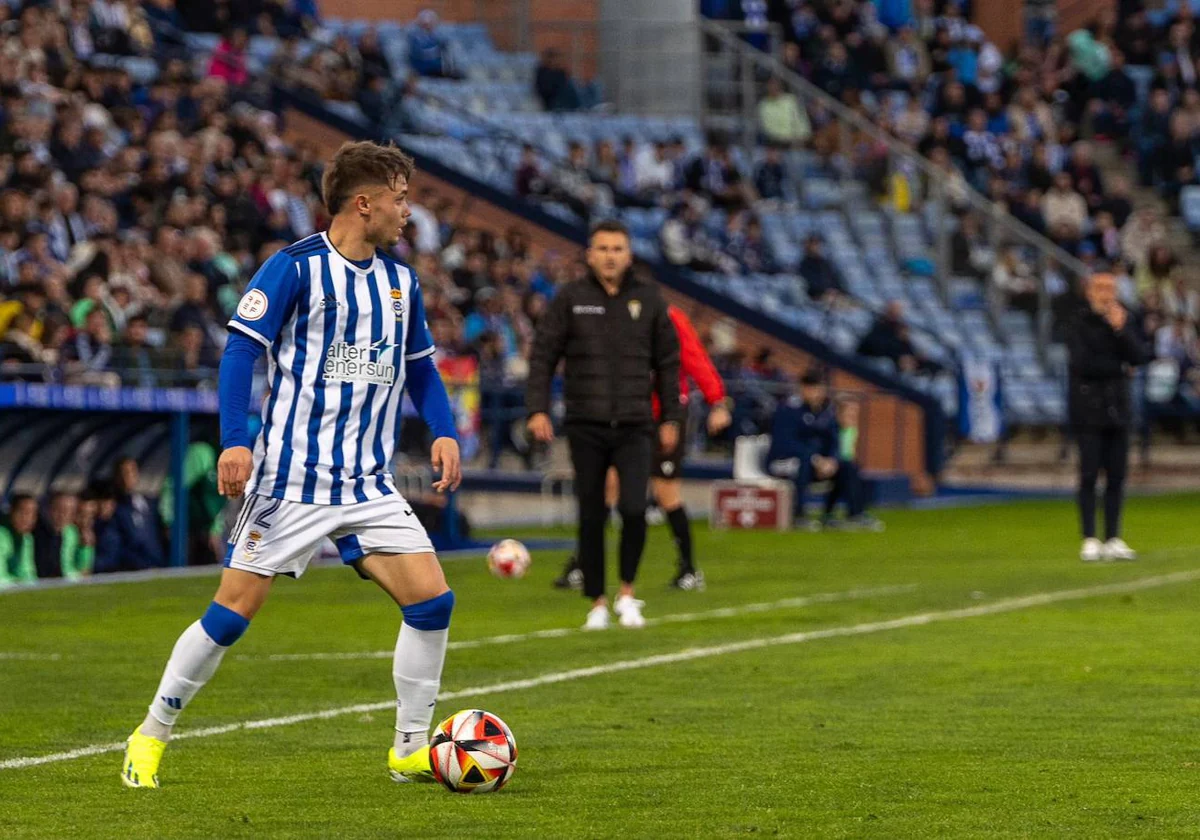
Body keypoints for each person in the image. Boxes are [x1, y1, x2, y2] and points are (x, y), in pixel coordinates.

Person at [121, 142, 462, 790]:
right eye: (399, 198)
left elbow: (420, 367)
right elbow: (238, 353)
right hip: (291, 479)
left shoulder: (401, 282)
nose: (407, 212)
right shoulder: (293, 269)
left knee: (432, 602)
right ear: (364, 203)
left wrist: (442, 431)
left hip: (368, 481)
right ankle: (152, 732)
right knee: (231, 613)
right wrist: (234, 439)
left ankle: (409, 748)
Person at [526, 220, 682, 631]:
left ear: (628, 255)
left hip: (635, 423)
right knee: (591, 513)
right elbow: (543, 354)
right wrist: (537, 409)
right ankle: (596, 601)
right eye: (603, 248)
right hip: (585, 423)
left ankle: (627, 593)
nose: (611, 256)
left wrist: (671, 417)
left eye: (618, 248)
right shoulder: (571, 298)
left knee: (634, 508)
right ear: (589, 255)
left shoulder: (649, 299)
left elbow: (668, 363)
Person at [553, 304, 731, 592]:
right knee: (607, 485)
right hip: (626, 414)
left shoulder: (667, 316)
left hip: (665, 416)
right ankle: (585, 564)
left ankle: (689, 568)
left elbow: (694, 357)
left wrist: (718, 401)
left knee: (665, 491)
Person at [1066, 273, 1150, 563]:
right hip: (1088, 409)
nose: (1106, 294)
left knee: (1117, 476)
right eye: (1100, 288)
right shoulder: (1078, 322)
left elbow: (1140, 355)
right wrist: (1119, 366)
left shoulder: (1124, 319)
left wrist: (1120, 330)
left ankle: (1113, 536)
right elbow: (1083, 364)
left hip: (1118, 408)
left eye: (1110, 288)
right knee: (1089, 475)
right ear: (1088, 291)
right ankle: (1089, 537)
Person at [764, 372, 877, 529]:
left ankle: (850, 514)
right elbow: (785, 442)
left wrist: (831, 459)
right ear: (802, 389)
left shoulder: (825, 414)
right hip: (783, 461)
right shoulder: (787, 411)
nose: (815, 393)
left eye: (818, 389)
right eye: (811, 389)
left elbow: (833, 440)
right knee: (802, 463)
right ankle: (798, 515)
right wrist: (815, 459)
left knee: (847, 466)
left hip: (817, 464)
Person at [0, 494, 39, 587]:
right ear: (11, 512)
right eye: (23, 512)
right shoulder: (1, 534)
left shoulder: (27, 537)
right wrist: (19, 583)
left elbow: (28, 572)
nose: (27, 519)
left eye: (32, 514)